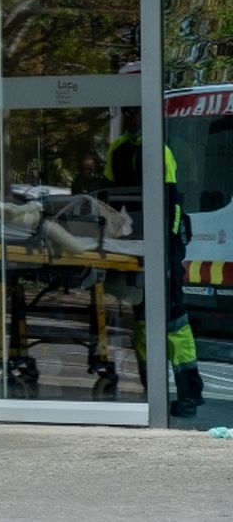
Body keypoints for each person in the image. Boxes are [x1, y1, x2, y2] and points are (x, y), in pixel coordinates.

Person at [106, 107, 204, 417]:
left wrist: (165, 247)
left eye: (136, 113)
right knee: (148, 321)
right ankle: (157, 392)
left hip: (156, 245)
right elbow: (110, 197)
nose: (133, 118)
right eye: (130, 113)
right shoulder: (123, 149)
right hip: (141, 244)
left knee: (172, 320)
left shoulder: (151, 150)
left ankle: (187, 393)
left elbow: (171, 201)